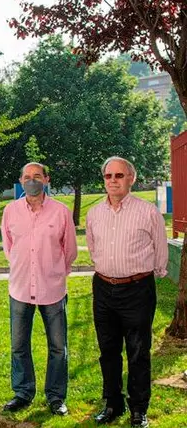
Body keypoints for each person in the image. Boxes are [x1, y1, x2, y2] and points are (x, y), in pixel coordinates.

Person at [86, 156, 167, 428]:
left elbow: (160, 250)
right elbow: (94, 248)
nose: (113, 181)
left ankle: (138, 409)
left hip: (138, 290)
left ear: (131, 178)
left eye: (119, 176)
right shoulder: (94, 214)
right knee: (108, 350)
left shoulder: (147, 212)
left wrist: (142, 277)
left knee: (138, 351)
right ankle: (112, 404)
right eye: (108, 176)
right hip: (104, 288)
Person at [0, 162, 77, 416]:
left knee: (58, 346)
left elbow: (70, 251)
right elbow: (9, 247)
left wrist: (54, 272)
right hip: (20, 288)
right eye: (26, 177)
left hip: (52, 289)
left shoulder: (61, 212)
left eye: (37, 176)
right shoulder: (10, 211)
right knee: (18, 345)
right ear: (21, 181)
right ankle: (23, 392)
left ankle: (56, 397)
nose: (31, 180)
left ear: (46, 179)